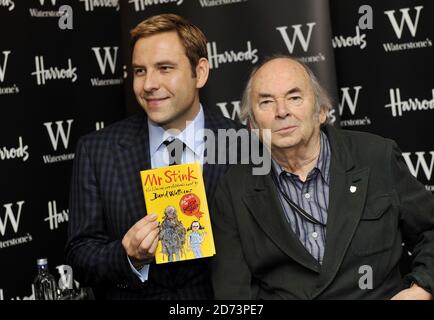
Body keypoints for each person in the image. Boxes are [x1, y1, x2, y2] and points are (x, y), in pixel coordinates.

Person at [211, 55, 434, 299]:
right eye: (266, 102)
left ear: (322, 111)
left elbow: (430, 231)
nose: (282, 111)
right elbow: (233, 293)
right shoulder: (235, 189)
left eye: (294, 98)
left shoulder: (376, 157)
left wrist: (421, 288)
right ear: (252, 125)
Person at [65, 14, 239, 300]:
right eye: (140, 71)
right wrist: (128, 255)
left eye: (165, 68)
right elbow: (79, 255)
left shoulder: (243, 145)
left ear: (201, 72)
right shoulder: (97, 150)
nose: (148, 84)